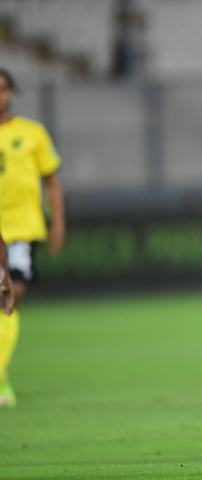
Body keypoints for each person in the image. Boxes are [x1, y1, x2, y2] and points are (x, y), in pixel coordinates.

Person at [0, 68, 65, 408]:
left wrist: (58, 224)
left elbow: (51, 181)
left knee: (13, 294)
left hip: (21, 228)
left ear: (12, 93)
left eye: (3, 88)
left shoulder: (32, 133)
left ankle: (0, 377)